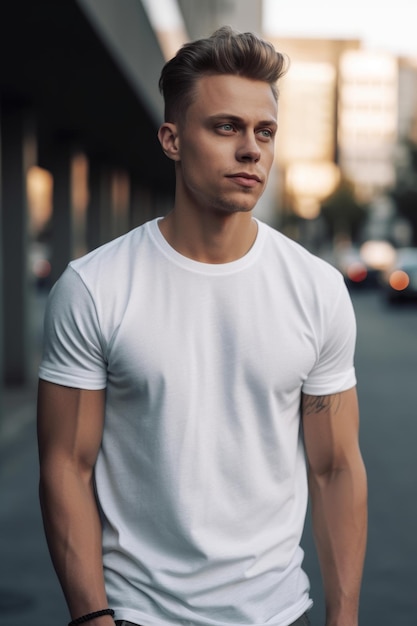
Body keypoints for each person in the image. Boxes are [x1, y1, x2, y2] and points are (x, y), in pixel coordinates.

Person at [37, 26, 367, 626]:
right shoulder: (94, 288)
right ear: (171, 139)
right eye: (225, 127)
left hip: (276, 613)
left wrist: (343, 619)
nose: (251, 150)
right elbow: (66, 465)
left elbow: (335, 466)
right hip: (138, 614)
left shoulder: (316, 289)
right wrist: (92, 619)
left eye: (264, 132)